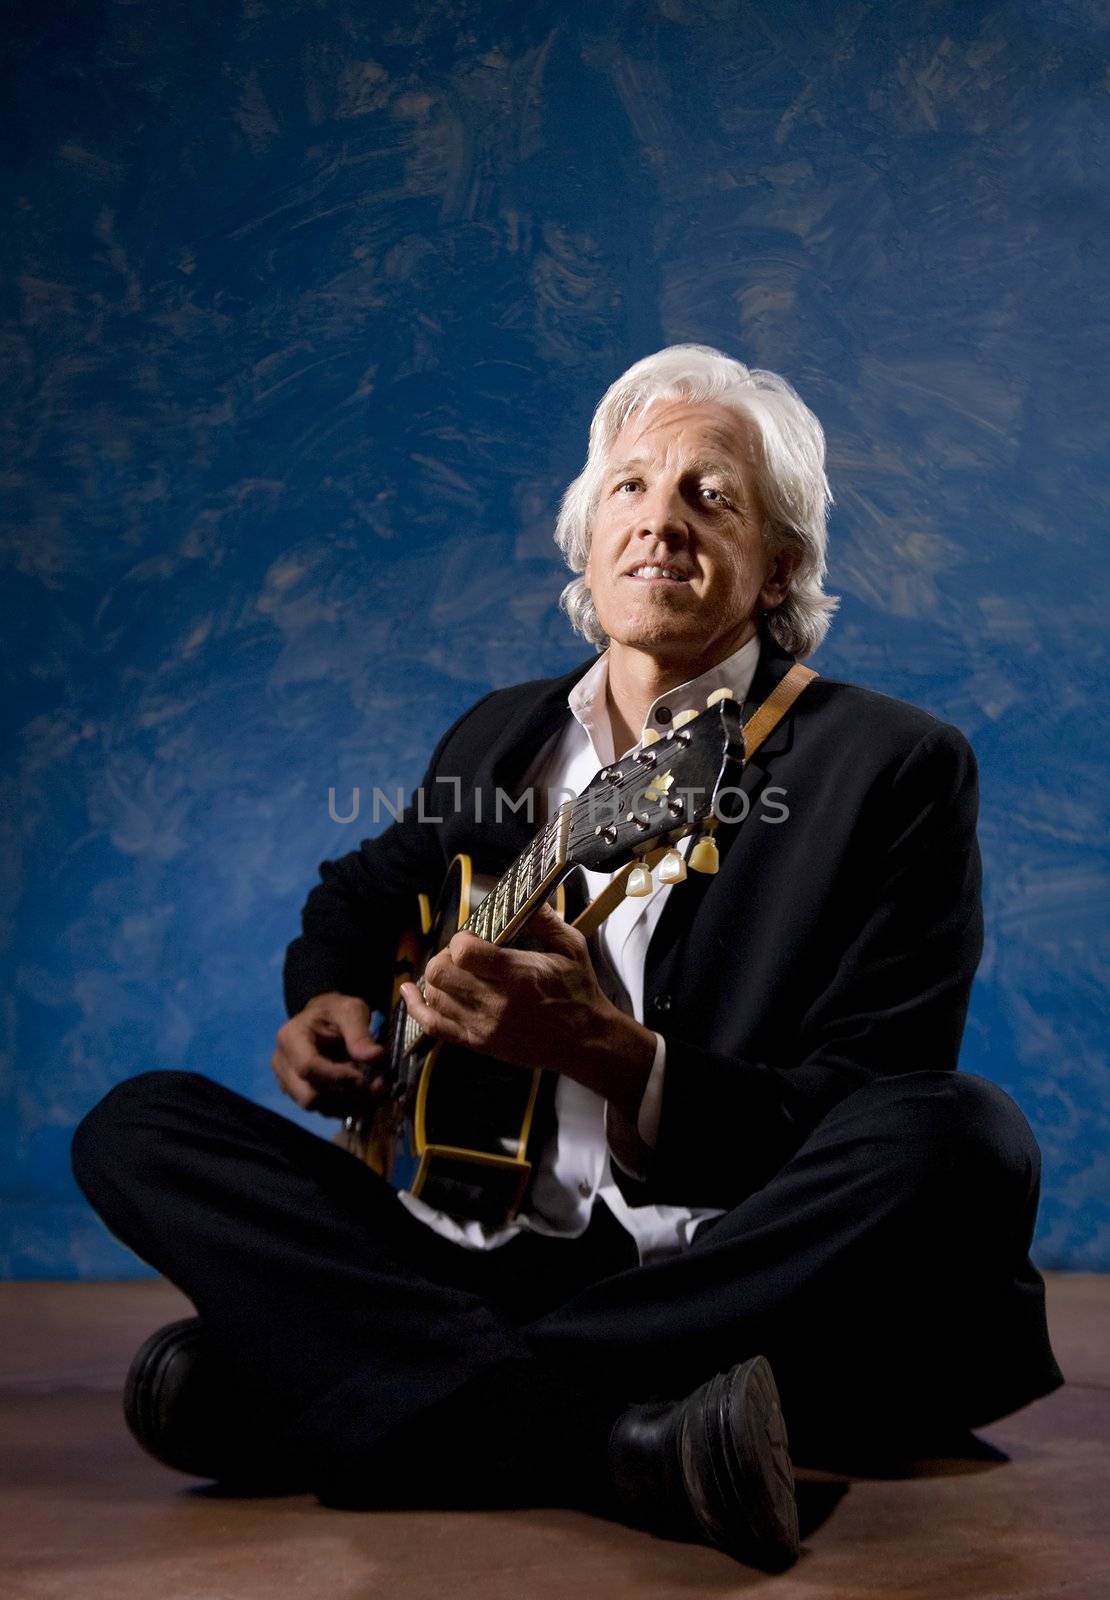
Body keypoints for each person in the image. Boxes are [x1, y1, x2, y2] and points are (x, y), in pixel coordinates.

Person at [71, 345, 1062, 1570]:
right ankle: (619, 1438)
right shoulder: (502, 735)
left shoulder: (892, 766)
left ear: (780, 570)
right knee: (136, 1125)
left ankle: (367, 1380)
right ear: (585, 542)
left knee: (963, 1137)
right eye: (630, 488)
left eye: (712, 495)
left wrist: (618, 1057)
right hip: (484, 1251)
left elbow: (863, 1099)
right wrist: (325, 996)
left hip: (732, 1271)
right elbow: (362, 889)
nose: (660, 521)